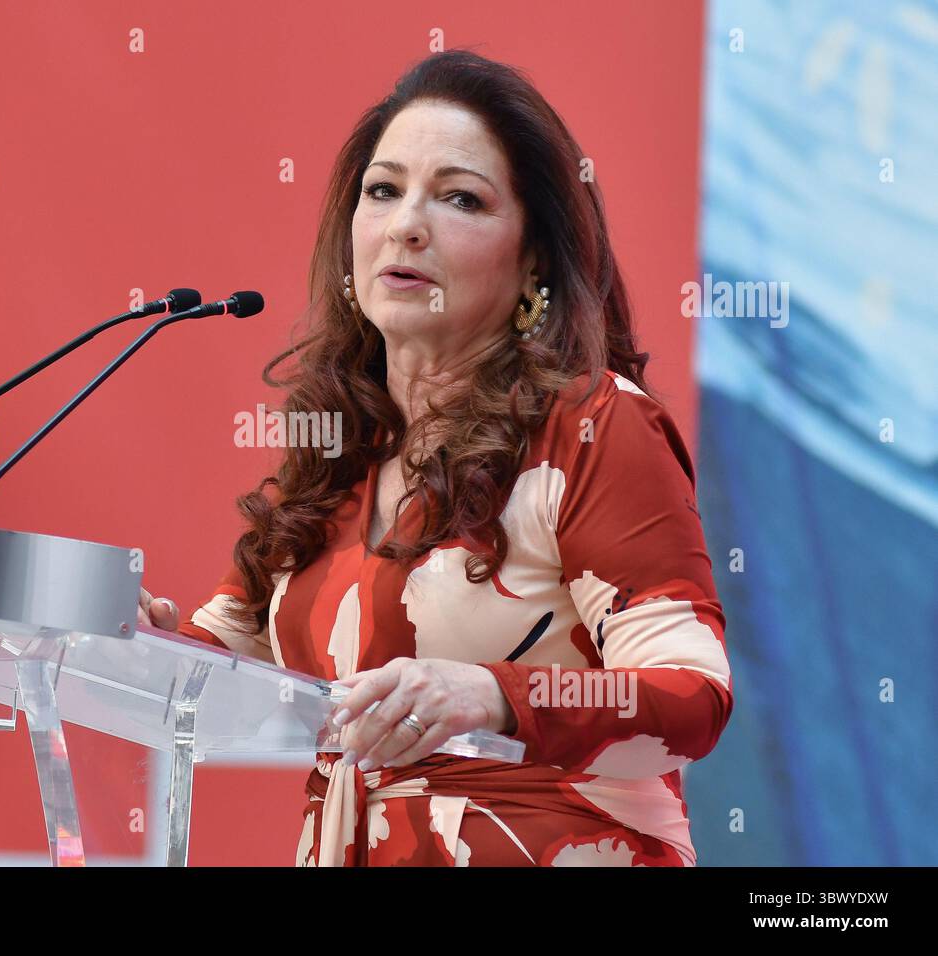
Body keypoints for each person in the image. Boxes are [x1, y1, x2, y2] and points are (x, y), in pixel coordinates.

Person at [140, 50, 733, 866]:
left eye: (460, 198)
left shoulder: (593, 427)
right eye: (383, 190)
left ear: (534, 262)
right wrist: (132, 644)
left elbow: (691, 699)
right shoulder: (336, 445)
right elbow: (226, 676)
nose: (406, 223)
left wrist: (490, 693)